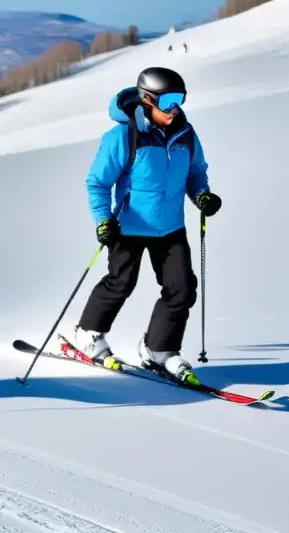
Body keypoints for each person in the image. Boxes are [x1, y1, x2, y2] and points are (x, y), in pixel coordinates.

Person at [71, 66, 222, 382]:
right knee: (120, 282)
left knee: (182, 289)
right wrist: (103, 220)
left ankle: (159, 349)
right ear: (146, 99)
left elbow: (196, 173)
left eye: (179, 98)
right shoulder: (123, 137)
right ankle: (88, 333)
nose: (175, 107)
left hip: (170, 228)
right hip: (128, 225)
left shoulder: (185, 135)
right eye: (168, 100)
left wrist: (202, 196)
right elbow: (97, 182)